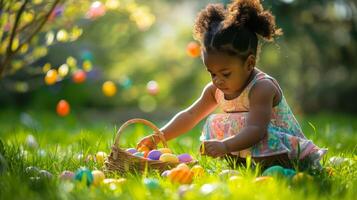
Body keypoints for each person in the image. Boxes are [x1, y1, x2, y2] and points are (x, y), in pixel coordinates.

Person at [137, 0, 326, 170]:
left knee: (254, 132)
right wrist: (158, 137)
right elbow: (190, 115)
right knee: (215, 121)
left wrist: (226, 146)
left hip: (280, 151)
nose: (217, 80)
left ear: (249, 63)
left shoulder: (261, 88)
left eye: (225, 74)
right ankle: (243, 166)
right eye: (212, 73)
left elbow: (256, 131)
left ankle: (277, 169)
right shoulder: (215, 91)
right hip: (247, 151)